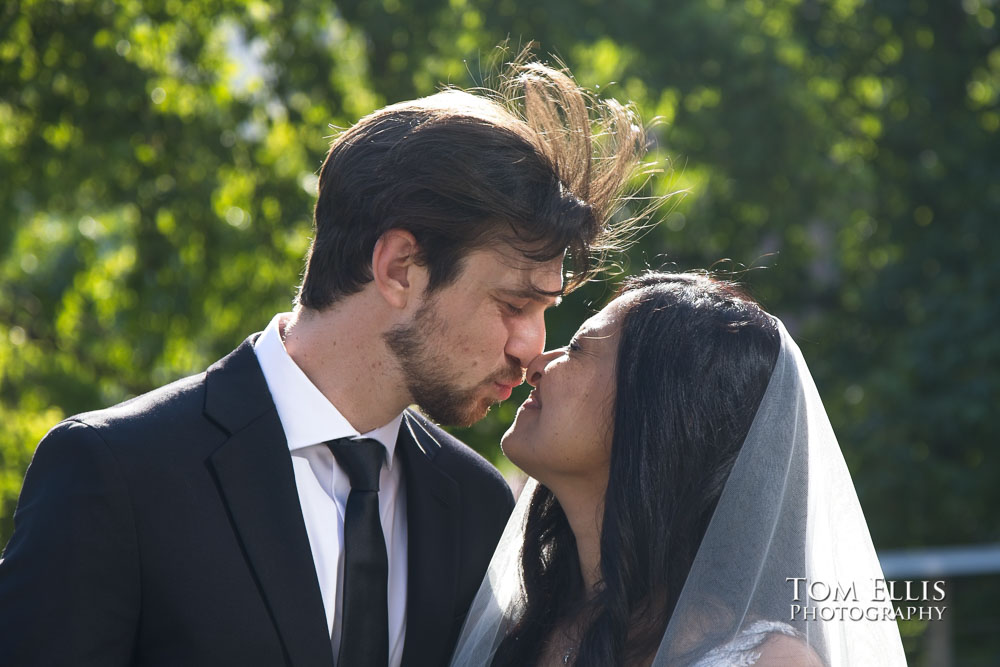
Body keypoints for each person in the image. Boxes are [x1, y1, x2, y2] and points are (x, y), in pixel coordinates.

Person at [0, 59, 646, 667]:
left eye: (543, 310)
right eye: (512, 303)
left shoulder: (478, 508)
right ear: (398, 267)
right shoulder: (115, 471)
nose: (531, 346)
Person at [451, 272, 907, 666]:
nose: (537, 364)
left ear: (654, 411)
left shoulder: (768, 661)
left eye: (577, 348)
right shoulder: (515, 627)